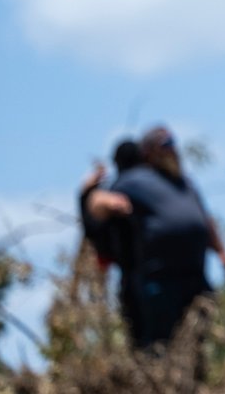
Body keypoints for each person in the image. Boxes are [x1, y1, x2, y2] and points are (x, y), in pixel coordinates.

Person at [82, 127, 225, 349]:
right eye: (165, 145)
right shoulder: (135, 179)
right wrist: (109, 202)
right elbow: (95, 200)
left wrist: (221, 251)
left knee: (197, 342)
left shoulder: (183, 182)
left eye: (173, 143)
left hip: (195, 276)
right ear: (149, 152)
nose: (172, 149)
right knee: (160, 345)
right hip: (160, 279)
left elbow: (204, 218)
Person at [78, 139, 146, 342]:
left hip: (136, 279)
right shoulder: (156, 186)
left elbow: (93, 229)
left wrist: (85, 194)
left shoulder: (118, 191)